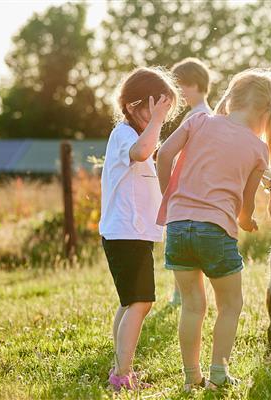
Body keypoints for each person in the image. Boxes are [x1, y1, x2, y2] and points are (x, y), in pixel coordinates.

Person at [156, 68, 271, 391]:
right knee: (230, 304)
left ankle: (191, 378)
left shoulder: (199, 121)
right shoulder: (258, 150)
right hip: (214, 231)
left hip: (178, 226)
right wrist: (245, 221)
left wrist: (170, 197)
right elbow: (246, 204)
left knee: (191, 305)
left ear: (231, 99)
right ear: (266, 113)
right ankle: (217, 374)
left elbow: (163, 155)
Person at [99, 67, 181, 391]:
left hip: (130, 234)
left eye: (166, 112)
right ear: (134, 106)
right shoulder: (125, 135)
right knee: (141, 302)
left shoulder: (134, 135)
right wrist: (158, 122)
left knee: (130, 301)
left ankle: (120, 368)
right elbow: (142, 152)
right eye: (156, 109)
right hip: (125, 234)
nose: (161, 118)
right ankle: (122, 374)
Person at [166, 57, 214, 306]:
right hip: (193, 191)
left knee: (184, 244)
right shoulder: (201, 116)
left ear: (193, 84)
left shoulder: (199, 117)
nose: (176, 93)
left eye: (179, 86)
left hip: (188, 191)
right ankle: (181, 294)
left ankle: (182, 296)